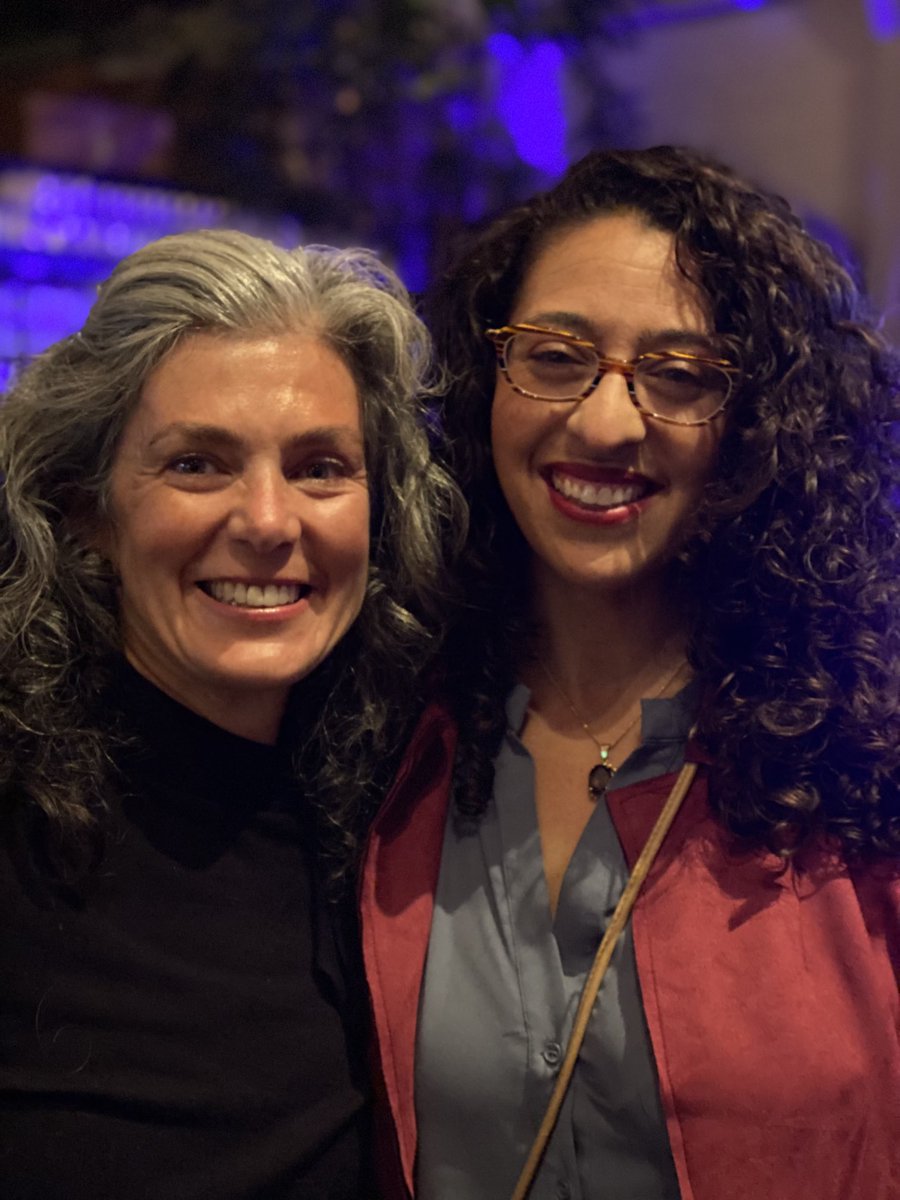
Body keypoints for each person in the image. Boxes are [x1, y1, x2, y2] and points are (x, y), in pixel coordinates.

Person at [361, 146, 900, 1200]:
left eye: (681, 375)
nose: (606, 423)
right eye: (556, 355)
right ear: (484, 380)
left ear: (756, 427)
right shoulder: (389, 741)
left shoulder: (865, 762)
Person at [0, 229, 460, 1198]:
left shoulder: (407, 825)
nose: (266, 521)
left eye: (321, 467)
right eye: (198, 464)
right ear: (86, 510)